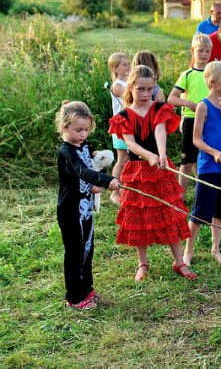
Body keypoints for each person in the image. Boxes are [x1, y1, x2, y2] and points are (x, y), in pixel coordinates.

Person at [109, 65, 196, 282]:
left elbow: (159, 131)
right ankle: (142, 263)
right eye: (140, 89)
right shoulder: (124, 115)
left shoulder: (159, 108)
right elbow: (130, 143)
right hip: (136, 171)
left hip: (160, 169)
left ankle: (179, 262)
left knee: (169, 214)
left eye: (149, 89)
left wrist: (162, 155)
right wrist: (149, 156)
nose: (145, 94)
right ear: (131, 87)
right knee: (138, 218)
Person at [55, 101, 120, 309]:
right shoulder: (67, 152)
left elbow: (89, 159)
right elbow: (82, 171)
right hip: (71, 210)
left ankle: (86, 288)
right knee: (74, 251)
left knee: (87, 248)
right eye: (78, 130)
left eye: (86, 130)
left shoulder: (82, 145)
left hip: (85, 208)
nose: (83, 134)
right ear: (64, 127)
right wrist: (104, 179)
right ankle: (74, 297)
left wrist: (98, 159)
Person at [184, 62, 221, 266]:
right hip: (209, 166)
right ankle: (188, 251)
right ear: (212, 82)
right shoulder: (203, 106)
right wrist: (214, 152)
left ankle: (215, 248)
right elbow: (196, 139)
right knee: (201, 210)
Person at [167, 34, 212, 196]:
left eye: (207, 51)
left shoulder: (213, 73)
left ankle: (205, 192)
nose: (204, 54)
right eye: (200, 51)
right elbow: (171, 98)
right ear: (193, 51)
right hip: (191, 121)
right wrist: (189, 104)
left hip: (209, 121)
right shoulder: (187, 74)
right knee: (187, 161)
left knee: (205, 159)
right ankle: (180, 197)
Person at [108, 53, 131, 204]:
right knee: (122, 160)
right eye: (124, 65)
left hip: (130, 126)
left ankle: (125, 190)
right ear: (115, 68)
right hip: (120, 127)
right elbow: (130, 98)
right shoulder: (117, 85)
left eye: (129, 64)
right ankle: (115, 193)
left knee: (129, 160)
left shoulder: (128, 83)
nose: (128, 67)